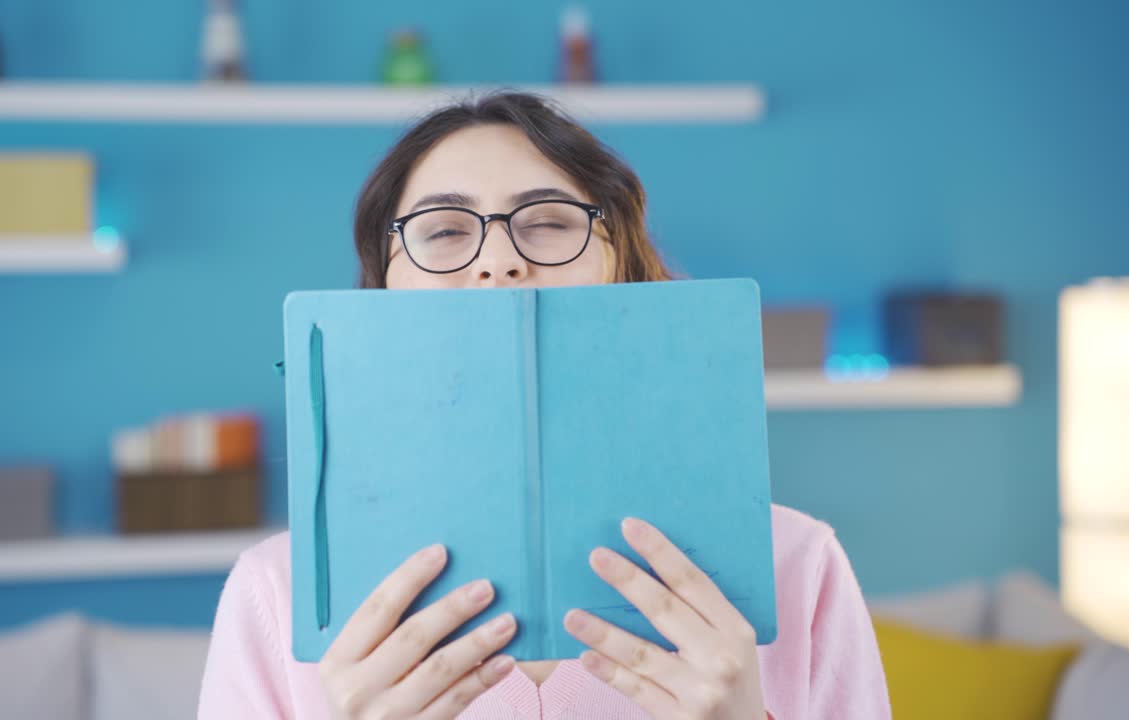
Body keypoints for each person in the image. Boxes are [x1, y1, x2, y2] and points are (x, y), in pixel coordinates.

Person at [198, 92, 890, 720]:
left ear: (622, 265)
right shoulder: (276, 595)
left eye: (550, 221)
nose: (498, 261)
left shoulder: (800, 565)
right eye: (443, 231)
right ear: (383, 284)